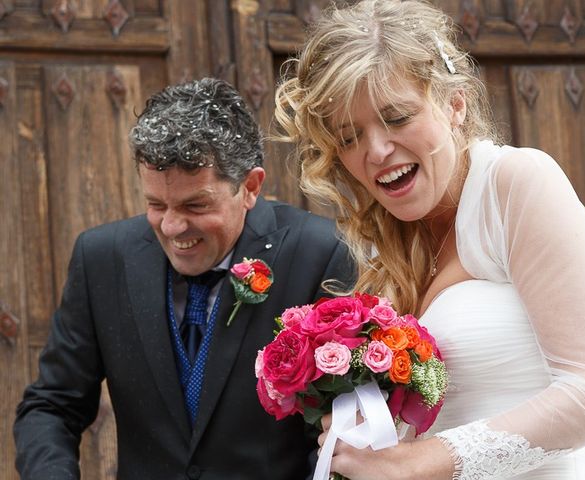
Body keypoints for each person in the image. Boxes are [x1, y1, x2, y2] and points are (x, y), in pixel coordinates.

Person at [273, 1, 585, 478]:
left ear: (455, 104)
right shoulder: (388, 244)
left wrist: (425, 460)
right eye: (349, 135)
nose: (376, 151)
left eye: (398, 117)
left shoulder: (515, 184)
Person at [14, 77, 354, 479]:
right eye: (156, 204)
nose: (173, 227)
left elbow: (340, 428)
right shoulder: (101, 258)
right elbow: (52, 406)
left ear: (250, 187)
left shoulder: (318, 253)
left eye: (196, 205)